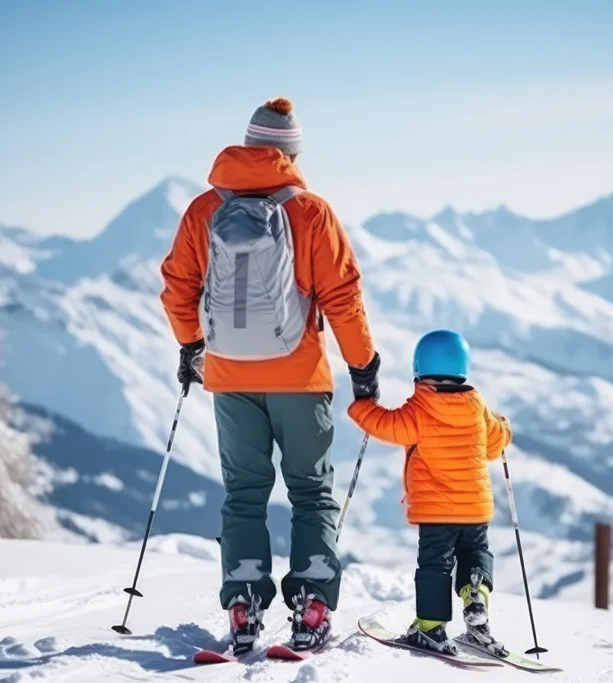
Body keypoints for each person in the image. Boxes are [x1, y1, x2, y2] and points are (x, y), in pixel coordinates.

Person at [159, 97, 380, 653]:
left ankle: (242, 605)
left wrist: (192, 347)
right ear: (291, 153)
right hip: (301, 380)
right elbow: (343, 297)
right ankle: (310, 605)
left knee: (244, 494)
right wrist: (363, 366)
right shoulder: (311, 212)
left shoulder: (202, 210)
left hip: (231, 379)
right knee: (310, 492)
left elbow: (177, 288)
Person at [347, 329, 513, 656]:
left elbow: (387, 425)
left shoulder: (421, 409)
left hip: (437, 512)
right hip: (476, 510)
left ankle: (430, 629)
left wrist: (362, 407)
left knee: (435, 566)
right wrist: (504, 428)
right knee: (475, 554)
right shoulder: (477, 406)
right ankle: (475, 595)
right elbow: (494, 444)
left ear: (419, 367)